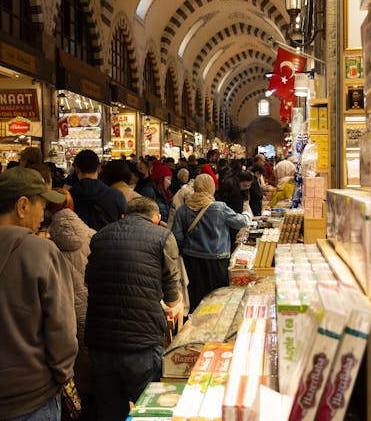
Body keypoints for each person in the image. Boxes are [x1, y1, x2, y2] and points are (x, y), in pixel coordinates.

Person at [0, 166, 78, 421]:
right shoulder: (40, 252)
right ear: (22, 206)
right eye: (42, 205)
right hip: (29, 400)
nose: (44, 215)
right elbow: (62, 333)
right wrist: (63, 376)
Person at [84, 196, 182, 421]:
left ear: (124, 216)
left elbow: (89, 280)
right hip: (142, 343)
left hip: (101, 341)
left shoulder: (100, 236)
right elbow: (172, 297)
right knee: (147, 412)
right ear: (156, 218)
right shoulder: (163, 236)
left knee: (109, 412)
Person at [47, 188, 96, 420]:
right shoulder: (93, 236)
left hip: (58, 311)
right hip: (90, 307)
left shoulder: (42, 243)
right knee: (88, 359)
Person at [172, 173, 250, 312]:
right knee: (217, 298)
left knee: (196, 296)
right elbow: (240, 222)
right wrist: (246, 213)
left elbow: (176, 236)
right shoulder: (219, 207)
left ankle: (194, 326)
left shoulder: (183, 209)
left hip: (192, 259)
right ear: (211, 188)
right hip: (217, 260)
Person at [70, 149, 127, 230]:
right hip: (108, 241)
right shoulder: (116, 196)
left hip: (78, 241)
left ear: (76, 169)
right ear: (99, 168)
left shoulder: (68, 197)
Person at [138, 159, 173, 223]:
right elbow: (145, 214)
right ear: (160, 179)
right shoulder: (149, 191)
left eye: (170, 180)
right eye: (168, 179)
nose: (169, 183)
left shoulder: (166, 193)